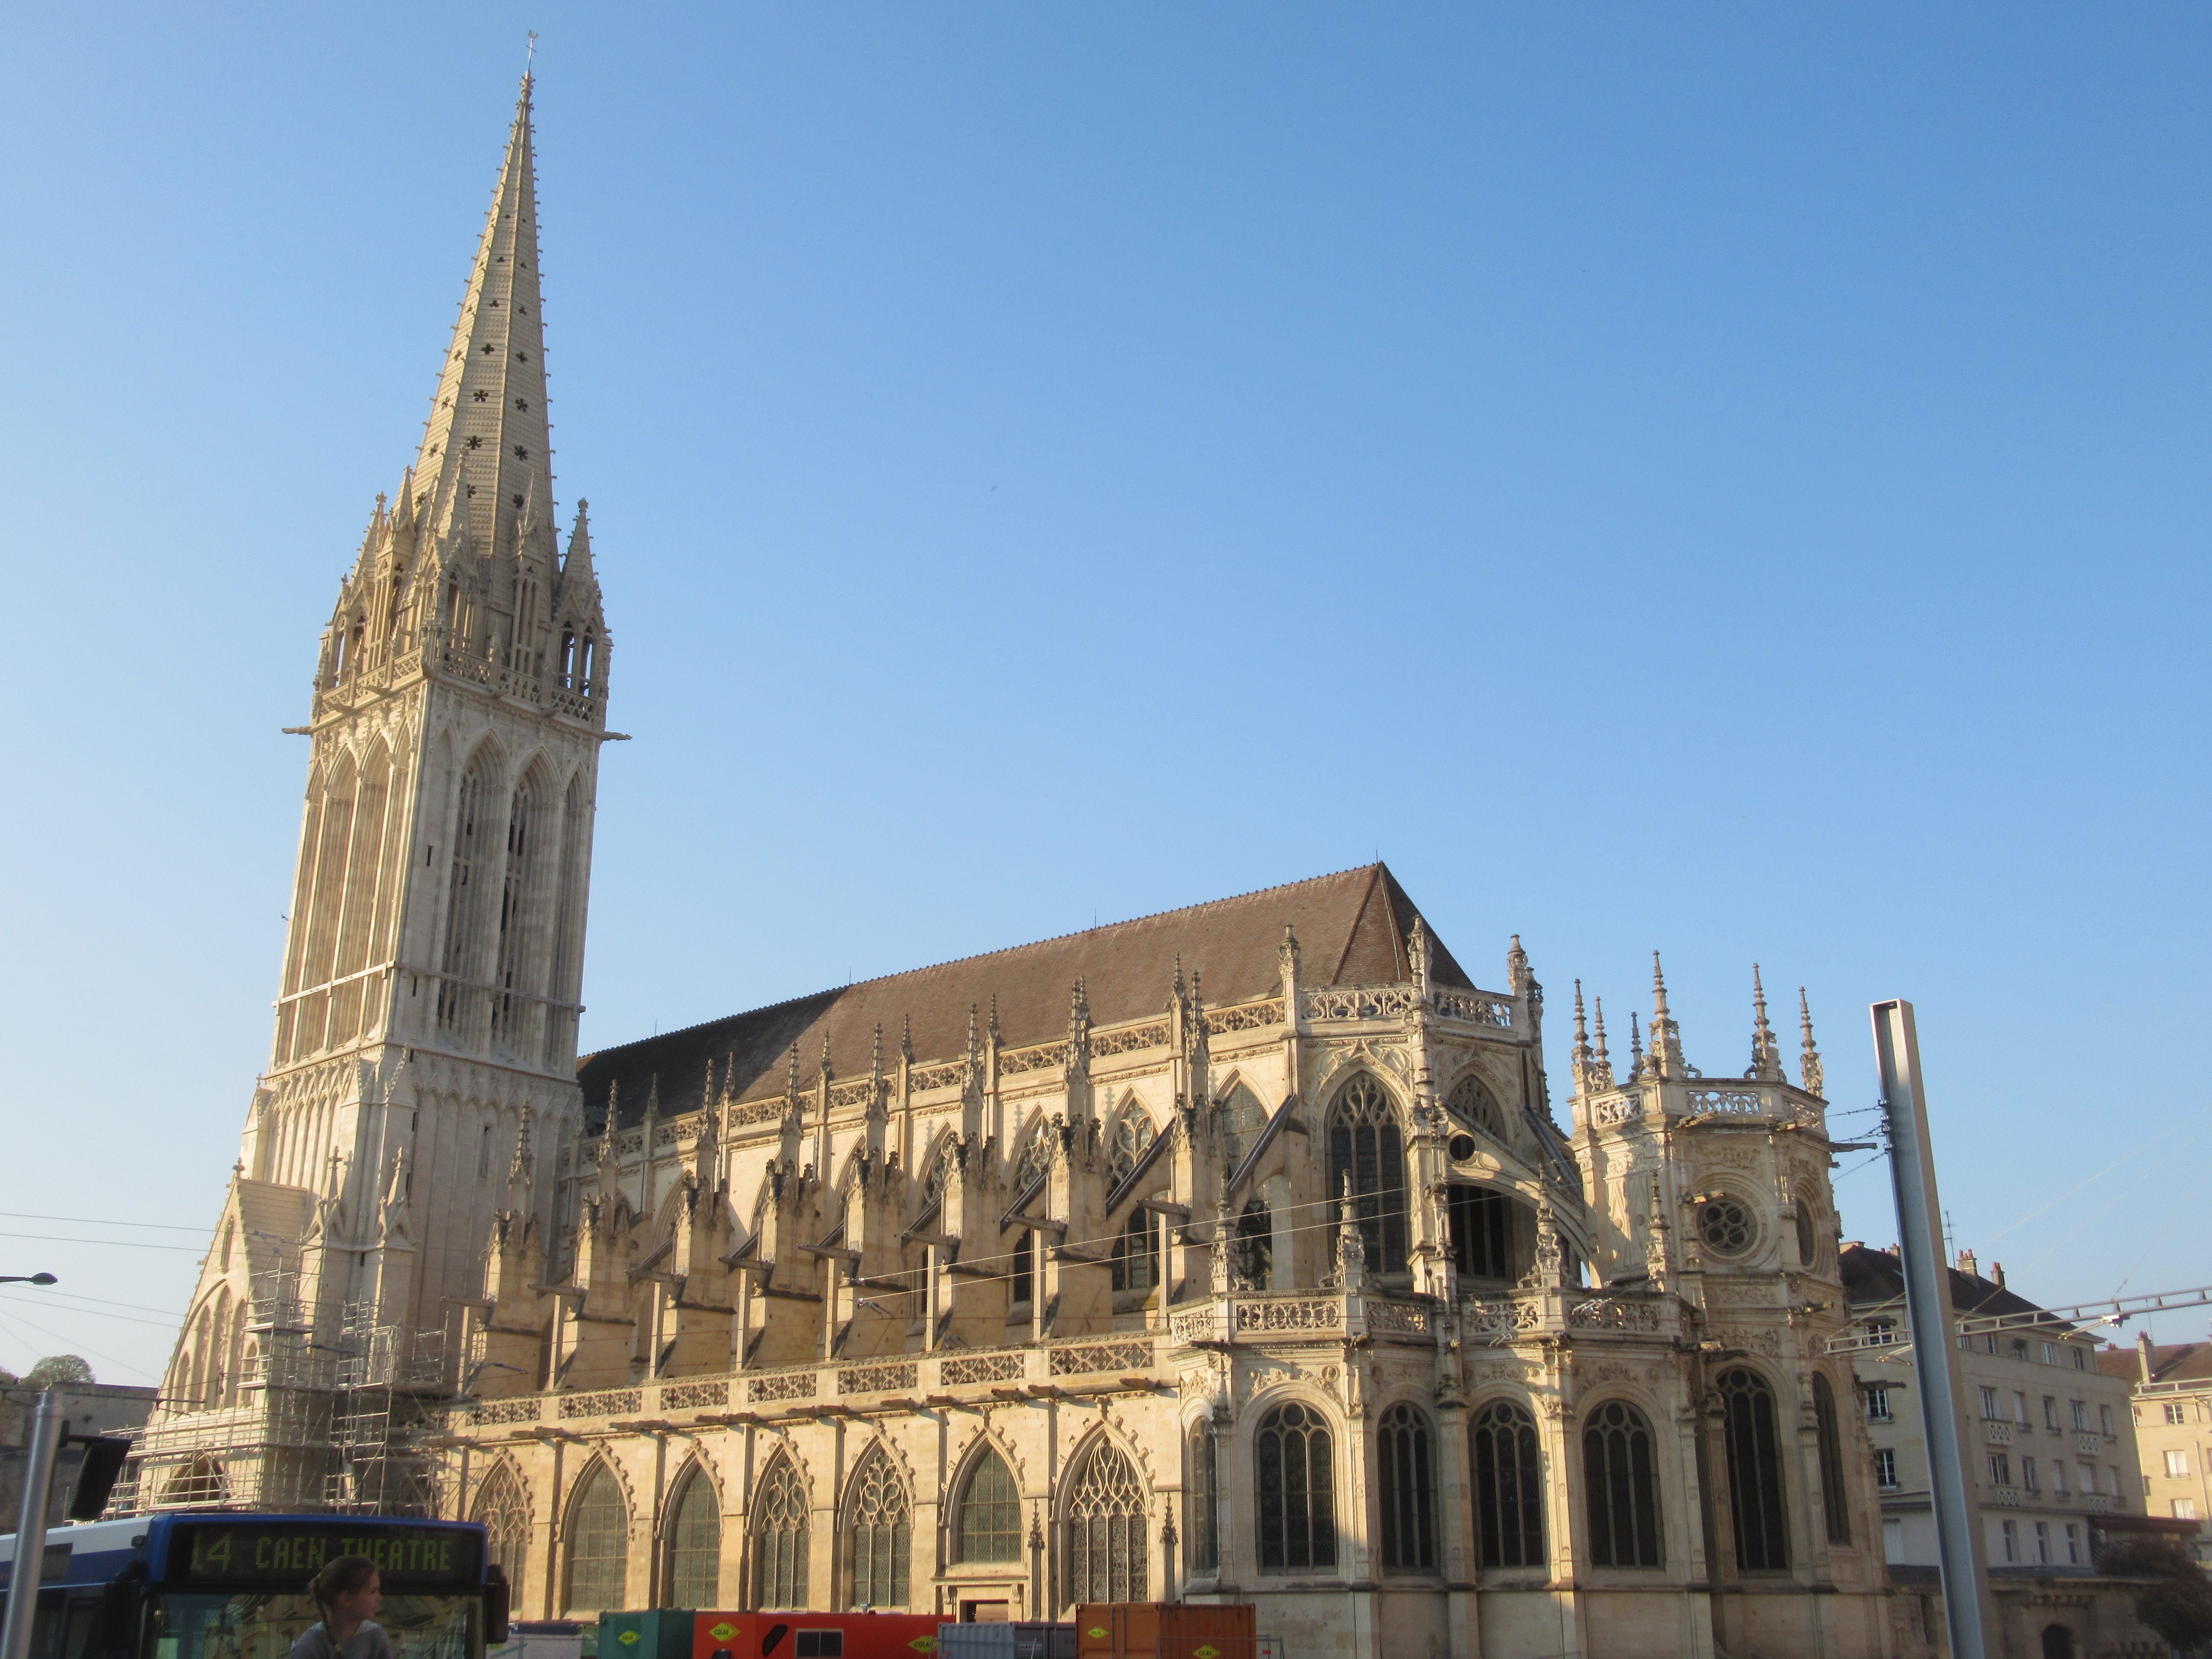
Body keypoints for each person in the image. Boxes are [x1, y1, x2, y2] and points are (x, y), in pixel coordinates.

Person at [289, 1557, 397, 1659]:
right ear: (347, 1599)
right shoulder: (311, 1643)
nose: (380, 1597)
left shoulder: (377, 1637)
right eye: (373, 1592)